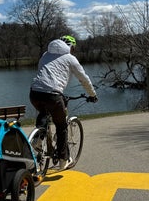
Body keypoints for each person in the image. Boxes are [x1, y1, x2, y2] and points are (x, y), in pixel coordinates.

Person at [29, 35, 98, 170]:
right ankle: (63, 160)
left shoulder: (45, 55)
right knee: (61, 126)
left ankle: (38, 137)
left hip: (35, 93)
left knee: (44, 111)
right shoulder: (70, 58)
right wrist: (93, 94)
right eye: (74, 48)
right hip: (54, 95)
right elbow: (84, 79)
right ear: (71, 47)